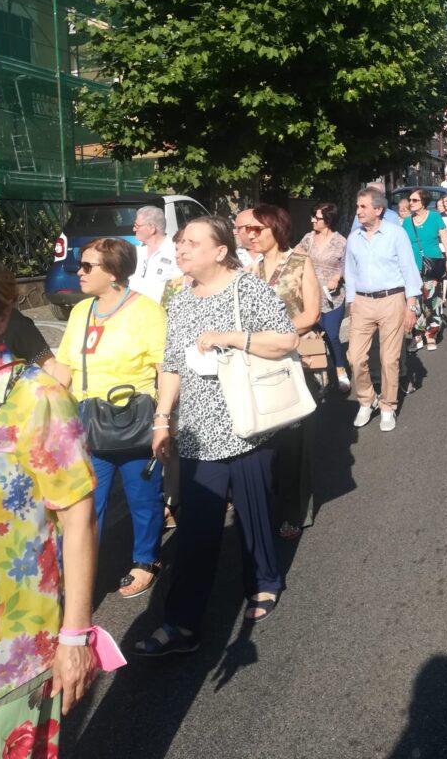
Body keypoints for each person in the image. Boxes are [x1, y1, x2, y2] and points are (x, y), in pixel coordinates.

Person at [135, 217, 298, 655]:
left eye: (191, 242)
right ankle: (181, 624)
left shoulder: (249, 289)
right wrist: (162, 419)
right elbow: (171, 363)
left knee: (255, 514)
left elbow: (285, 340)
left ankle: (264, 580)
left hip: (248, 426)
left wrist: (230, 337)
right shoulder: (181, 300)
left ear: (220, 251)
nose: (181, 248)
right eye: (180, 241)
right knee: (196, 532)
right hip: (197, 435)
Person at [0, 262, 97, 755]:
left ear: (4, 314)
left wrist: (74, 637)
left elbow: (77, 517)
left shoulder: (37, 397)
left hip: (11, 649)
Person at [55, 238, 167, 598]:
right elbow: (64, 367)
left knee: (143, 495)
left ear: (114, 272)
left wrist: (163, 419)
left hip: (133, 417)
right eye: (79, 266)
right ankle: (74, 571)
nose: (79, 272)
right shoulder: (81, 312)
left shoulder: (147, 312)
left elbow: (164, 368)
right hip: (87, 419)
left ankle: (146, 559)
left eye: (88, 266)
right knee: (84, 503)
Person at [248, 205, 321, 540]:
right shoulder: (249, 271)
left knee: (293, 442)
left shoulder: (300, 261)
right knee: (264, 438)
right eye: (248, 231)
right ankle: (265, 503)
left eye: (258, 230)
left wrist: (275, 335)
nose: (251, 236)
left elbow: (311, 314)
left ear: (275, 229)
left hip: (293, 360)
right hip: (259, 364)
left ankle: (294, 511)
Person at [345, 189, 421, 433]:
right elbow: (350, 272)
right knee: (354, 357)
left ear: (378, 210)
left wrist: (411, 306)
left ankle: (388, 406)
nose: (358, 211)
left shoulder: (396, 234)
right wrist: (351, 304)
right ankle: (367, 399)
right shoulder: (354, 238)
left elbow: (410, 270)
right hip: (362, 302)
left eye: (363, 207)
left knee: (389, 359)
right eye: (358, 206)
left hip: (392, 299)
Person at [296, 202, 350, 394]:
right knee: (317, 337)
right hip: (311, 296)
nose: (313, 220)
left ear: (328, 220)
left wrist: (337, 276)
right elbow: (294, 257)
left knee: (333, 335)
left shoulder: (340, 241)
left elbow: (347, 264)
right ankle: (320, 375)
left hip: (333, 297)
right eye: (313, 216)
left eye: (317, 218)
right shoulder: (308, 239)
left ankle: (341, 370)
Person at [403, 189, 447, 350]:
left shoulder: (435, 217)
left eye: (414, 200)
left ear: (423, 202)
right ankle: (417, 335)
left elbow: (445, 237)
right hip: (412, 268)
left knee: (432, 300)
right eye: (410, 200)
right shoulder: (406, 221)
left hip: (432, 265)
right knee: (415, 303)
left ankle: (431, 334)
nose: (410, 203)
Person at [129, 205, 181, 303]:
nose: (134, 229)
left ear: (152, 228)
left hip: (160, 313)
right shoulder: (136, 251)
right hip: (133, 312)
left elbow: (179, 287)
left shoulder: (176, 252)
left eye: (137, 226)